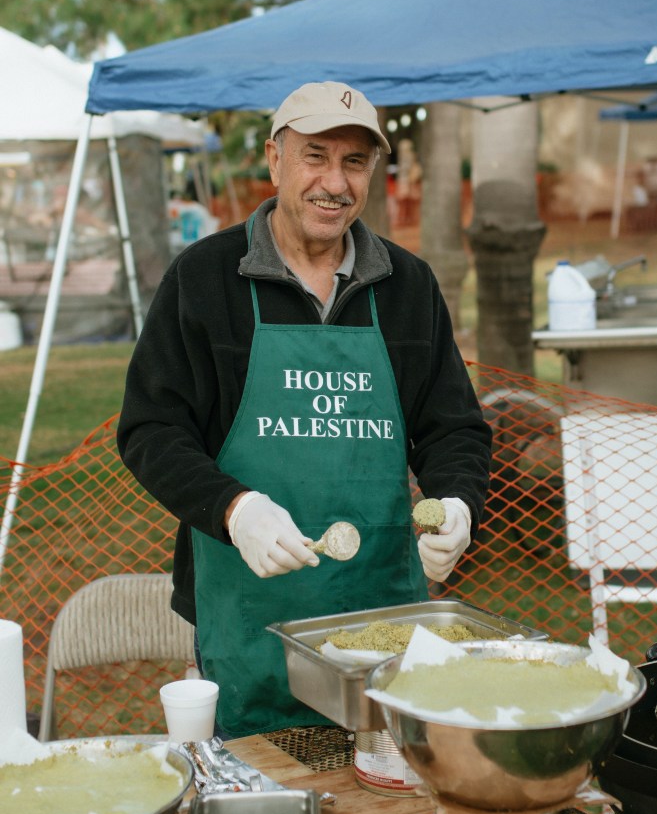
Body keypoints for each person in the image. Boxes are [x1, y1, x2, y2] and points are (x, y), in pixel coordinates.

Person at [117, 80, 491, 739]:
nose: (334, 182)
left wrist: (456, 500)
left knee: (389, 781)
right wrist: (234, 508)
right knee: (259, 780)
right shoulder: (204, 278)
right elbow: (152, 429)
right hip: (247, 606)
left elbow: (451, 427)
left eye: (354, 162)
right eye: (315, 156)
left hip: (384, 607)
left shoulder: (407, 286)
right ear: (274, 160)